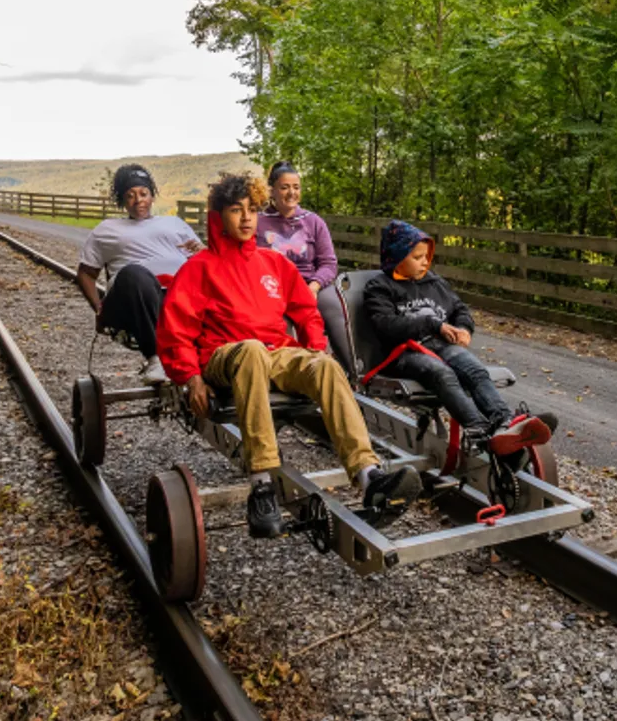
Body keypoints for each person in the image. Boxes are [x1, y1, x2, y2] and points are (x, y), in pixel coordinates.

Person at [156, 173, 421, 538]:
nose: (247, 218)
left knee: (326, 365)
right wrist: (190, 377)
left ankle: (368, 475)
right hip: (224, 355)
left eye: (252, 209)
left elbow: (305, 309)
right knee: (250, 350)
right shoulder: (200, 268)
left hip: (274, 352)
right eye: (236, 210)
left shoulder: (273, 263)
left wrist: (313, 347)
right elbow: (175, 330)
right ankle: (262, 484)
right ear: (219, 218)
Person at [363, 220, 556, 456]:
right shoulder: (380, 287)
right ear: (397, 257)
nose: (425, 261)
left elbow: (459, 309)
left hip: (441, 347)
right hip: (404, 353)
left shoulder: (434, 282)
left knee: (474, 369)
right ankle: (479, 430)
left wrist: (464, 328)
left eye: (426, 255)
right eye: (417, 257)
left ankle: (506, 425)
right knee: (442, 373)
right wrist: (432, 324)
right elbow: (386, 325)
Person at [77, 164, 202, 385]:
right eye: (130, 195)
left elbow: (203, 266)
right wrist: (97, 307)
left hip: (176, 295)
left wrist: (201, 253)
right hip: (131, 297)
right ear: (123, 201)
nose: (138, 200)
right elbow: (86, 273)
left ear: (152, 197)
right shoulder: (107, 229)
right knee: (134, 273)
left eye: (143, 193)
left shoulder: (174, 223)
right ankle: (156, 359)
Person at [255, 161, 338, 296]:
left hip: (309, 286)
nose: (291, 192)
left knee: (337, 313)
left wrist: (314, 286)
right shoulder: (257, 222)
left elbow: (328, 263)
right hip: (270, 289)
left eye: (296, 187)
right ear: (272, 191)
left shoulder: (314, 221)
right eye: (284, 187)